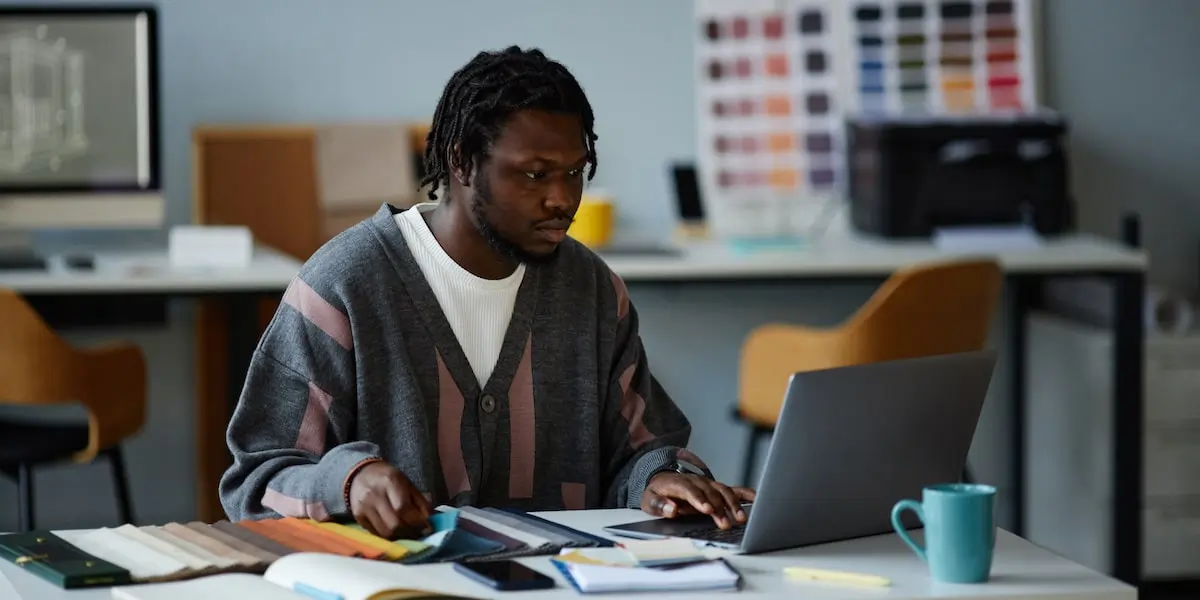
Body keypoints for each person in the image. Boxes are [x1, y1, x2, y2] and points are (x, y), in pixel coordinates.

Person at [219, 46, 755, 540]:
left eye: (575, 172)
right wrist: (349, 481)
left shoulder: (592, 291)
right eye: (535, 174)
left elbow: (642, 452)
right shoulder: (343, 286)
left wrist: (661, 480)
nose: (562, 199)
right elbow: (256, 483)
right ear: (462, 162)